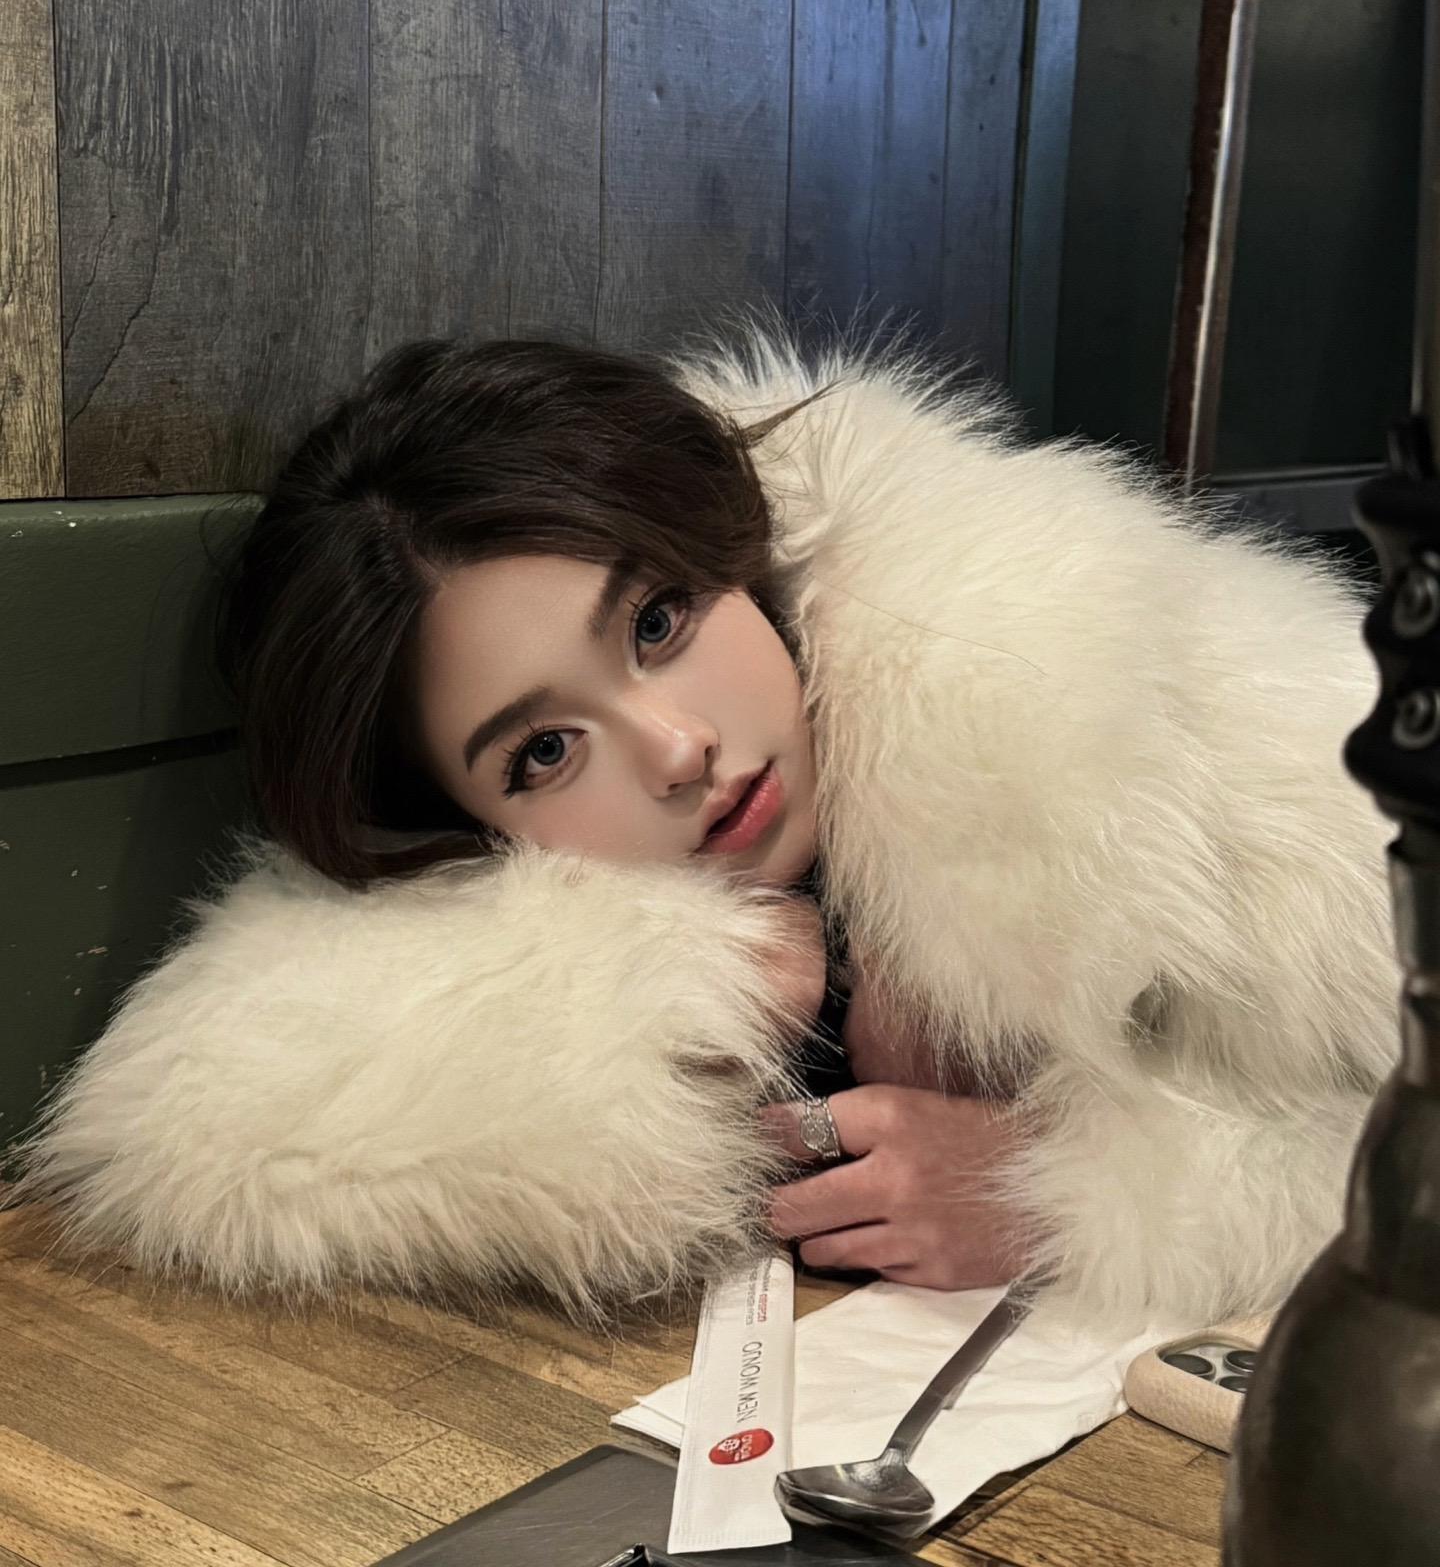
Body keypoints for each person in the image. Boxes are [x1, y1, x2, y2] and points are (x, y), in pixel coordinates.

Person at [4, 317, 1399, 1334]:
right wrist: (688, 1003)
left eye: (659, 620)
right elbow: (210, 1132)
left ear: (732, 546)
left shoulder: (1147, 699)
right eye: (545, 752)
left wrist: (1065, 1195)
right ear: (467, 827)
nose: (677, 751)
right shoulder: (578, 913)